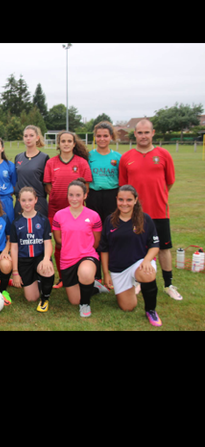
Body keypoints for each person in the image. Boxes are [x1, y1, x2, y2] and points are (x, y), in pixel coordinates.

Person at [118, 118, 182, 301]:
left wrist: (158, 196)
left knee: (163, 248)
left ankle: (168, 284)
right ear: (135, 134)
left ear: (153, 133)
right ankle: (138, 281)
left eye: (147, 132)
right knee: (136, 247)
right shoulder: (126, 157)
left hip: (159, 211)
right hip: (135, 213)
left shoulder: (164, 154)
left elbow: (169, 182)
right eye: (140, 132)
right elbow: (124, 187)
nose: (143, 136)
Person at [100, 185, 162, 327]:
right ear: (116, 199)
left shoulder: (145, 219)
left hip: (139, 262)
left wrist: (147, 260)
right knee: (128, 307)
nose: (124, 203)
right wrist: (106, 274)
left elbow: (154, 245)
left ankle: (151, 310)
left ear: (135, 200)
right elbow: (104, 249)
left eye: (129, 200)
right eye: (121, 200)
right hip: (119, 269)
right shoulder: (110, 220)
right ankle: (134, 285)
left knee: (146, 273)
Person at [52, 180, 106, 319]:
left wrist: (84, 250)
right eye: (71, 195)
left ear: (85, 196)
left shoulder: (93, 215)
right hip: (67, 260)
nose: (74, 199)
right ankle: (94, 287)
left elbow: (96, 241)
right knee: (74, 300)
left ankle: (85, 304)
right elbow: (58, 240)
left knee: (85, 272)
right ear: (67, 195)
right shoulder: (59, 215)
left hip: (87, 256)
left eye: (78, 195)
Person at [44, 131, 92, 285]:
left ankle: (78, 273)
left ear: (74, 143)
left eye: (69, 141)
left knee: (77, 243)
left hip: (77, 212)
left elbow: (86, 186)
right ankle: (63, 277)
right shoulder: (51, 163)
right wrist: (57, 195)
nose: (66, 144)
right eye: (63, 141)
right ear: (58, 144)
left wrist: (75, 202)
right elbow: (48, 186)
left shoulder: (81, 163)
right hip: (55, 211)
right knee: (59, 244)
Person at [10, 187, 55, 313]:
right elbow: (14, 248)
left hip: (39, 257)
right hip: (24, 261)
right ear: (19, 201)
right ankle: (37, 280)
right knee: (31, 298)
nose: (27, 203)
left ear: (36, 200)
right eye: (23, 200)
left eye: (30, 200)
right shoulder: (16, 223)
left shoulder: (43, 220)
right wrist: (15, 272)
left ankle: (45, 299)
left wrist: (46, 259)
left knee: (47, 269)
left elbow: (47, 242)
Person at [87, 122, 121, 223]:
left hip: (112, 195)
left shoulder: (118, 157)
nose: (102, 139)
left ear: (111, 137)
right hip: (93, 195)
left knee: (112, 224)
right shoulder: (88, 156)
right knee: (94, 225)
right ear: (95, 137)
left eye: (105, 136)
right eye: (99, 136)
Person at [14, 126, 50, 218]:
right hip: (21, 202)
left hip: (38, 202)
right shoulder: (18, 157)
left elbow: (47, 184)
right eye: (26, 136)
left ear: (37, 138)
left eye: (31, 135)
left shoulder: (44, 158)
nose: (28, 138)